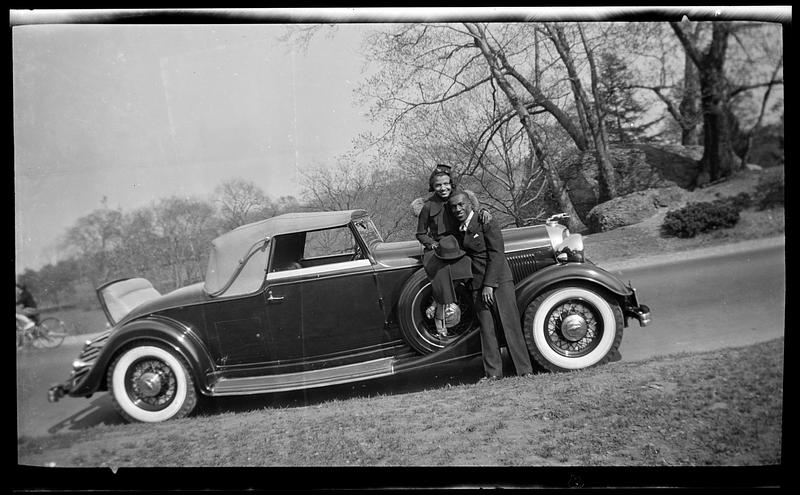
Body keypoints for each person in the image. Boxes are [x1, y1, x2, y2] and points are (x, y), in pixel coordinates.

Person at [447, 190, 534, 381]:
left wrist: (489, 285)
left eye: (461, 204)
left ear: (470, 204)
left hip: (498, 281)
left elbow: (496, 254)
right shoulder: (458, 228)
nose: (458, 209)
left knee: (509, 324)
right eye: (454, 206)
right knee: (487, 329)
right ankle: (493, 373)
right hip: (476, 284)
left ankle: (524, 370)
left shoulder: (485, 221)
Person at [413, 164, 489, 328]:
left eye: (446, 183)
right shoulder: (428, 207)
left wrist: (483, 210)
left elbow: (473, 211)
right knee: (441, 272)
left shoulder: (459, 198)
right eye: (438, 185)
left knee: (469, 267)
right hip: (440, 249)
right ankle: (439, 309)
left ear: (451, 183)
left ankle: (471, 310)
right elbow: (420, 233)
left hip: (461, 243)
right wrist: (431, 243)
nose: (442, 188)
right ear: (432, 187)